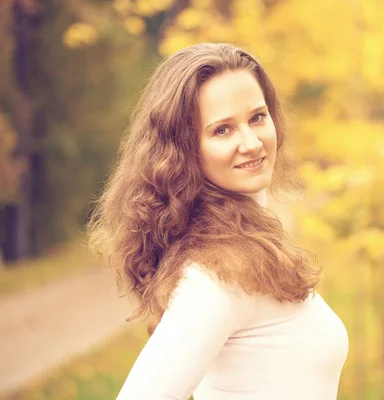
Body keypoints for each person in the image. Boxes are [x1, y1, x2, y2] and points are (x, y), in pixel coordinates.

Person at [87, 43, 349, 399]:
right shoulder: (215, 276)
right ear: (184, 151)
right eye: (222, 130)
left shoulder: (249, 242)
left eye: (257, 117)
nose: (252, 142)